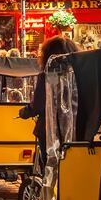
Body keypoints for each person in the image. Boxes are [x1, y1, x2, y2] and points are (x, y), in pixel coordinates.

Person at [19, 36, 78, 165]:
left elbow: (39, 104)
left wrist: (25, 112)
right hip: (76, 129)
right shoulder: (78, 75)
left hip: (50, 131)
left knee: (50, 166)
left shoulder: (50, 76)